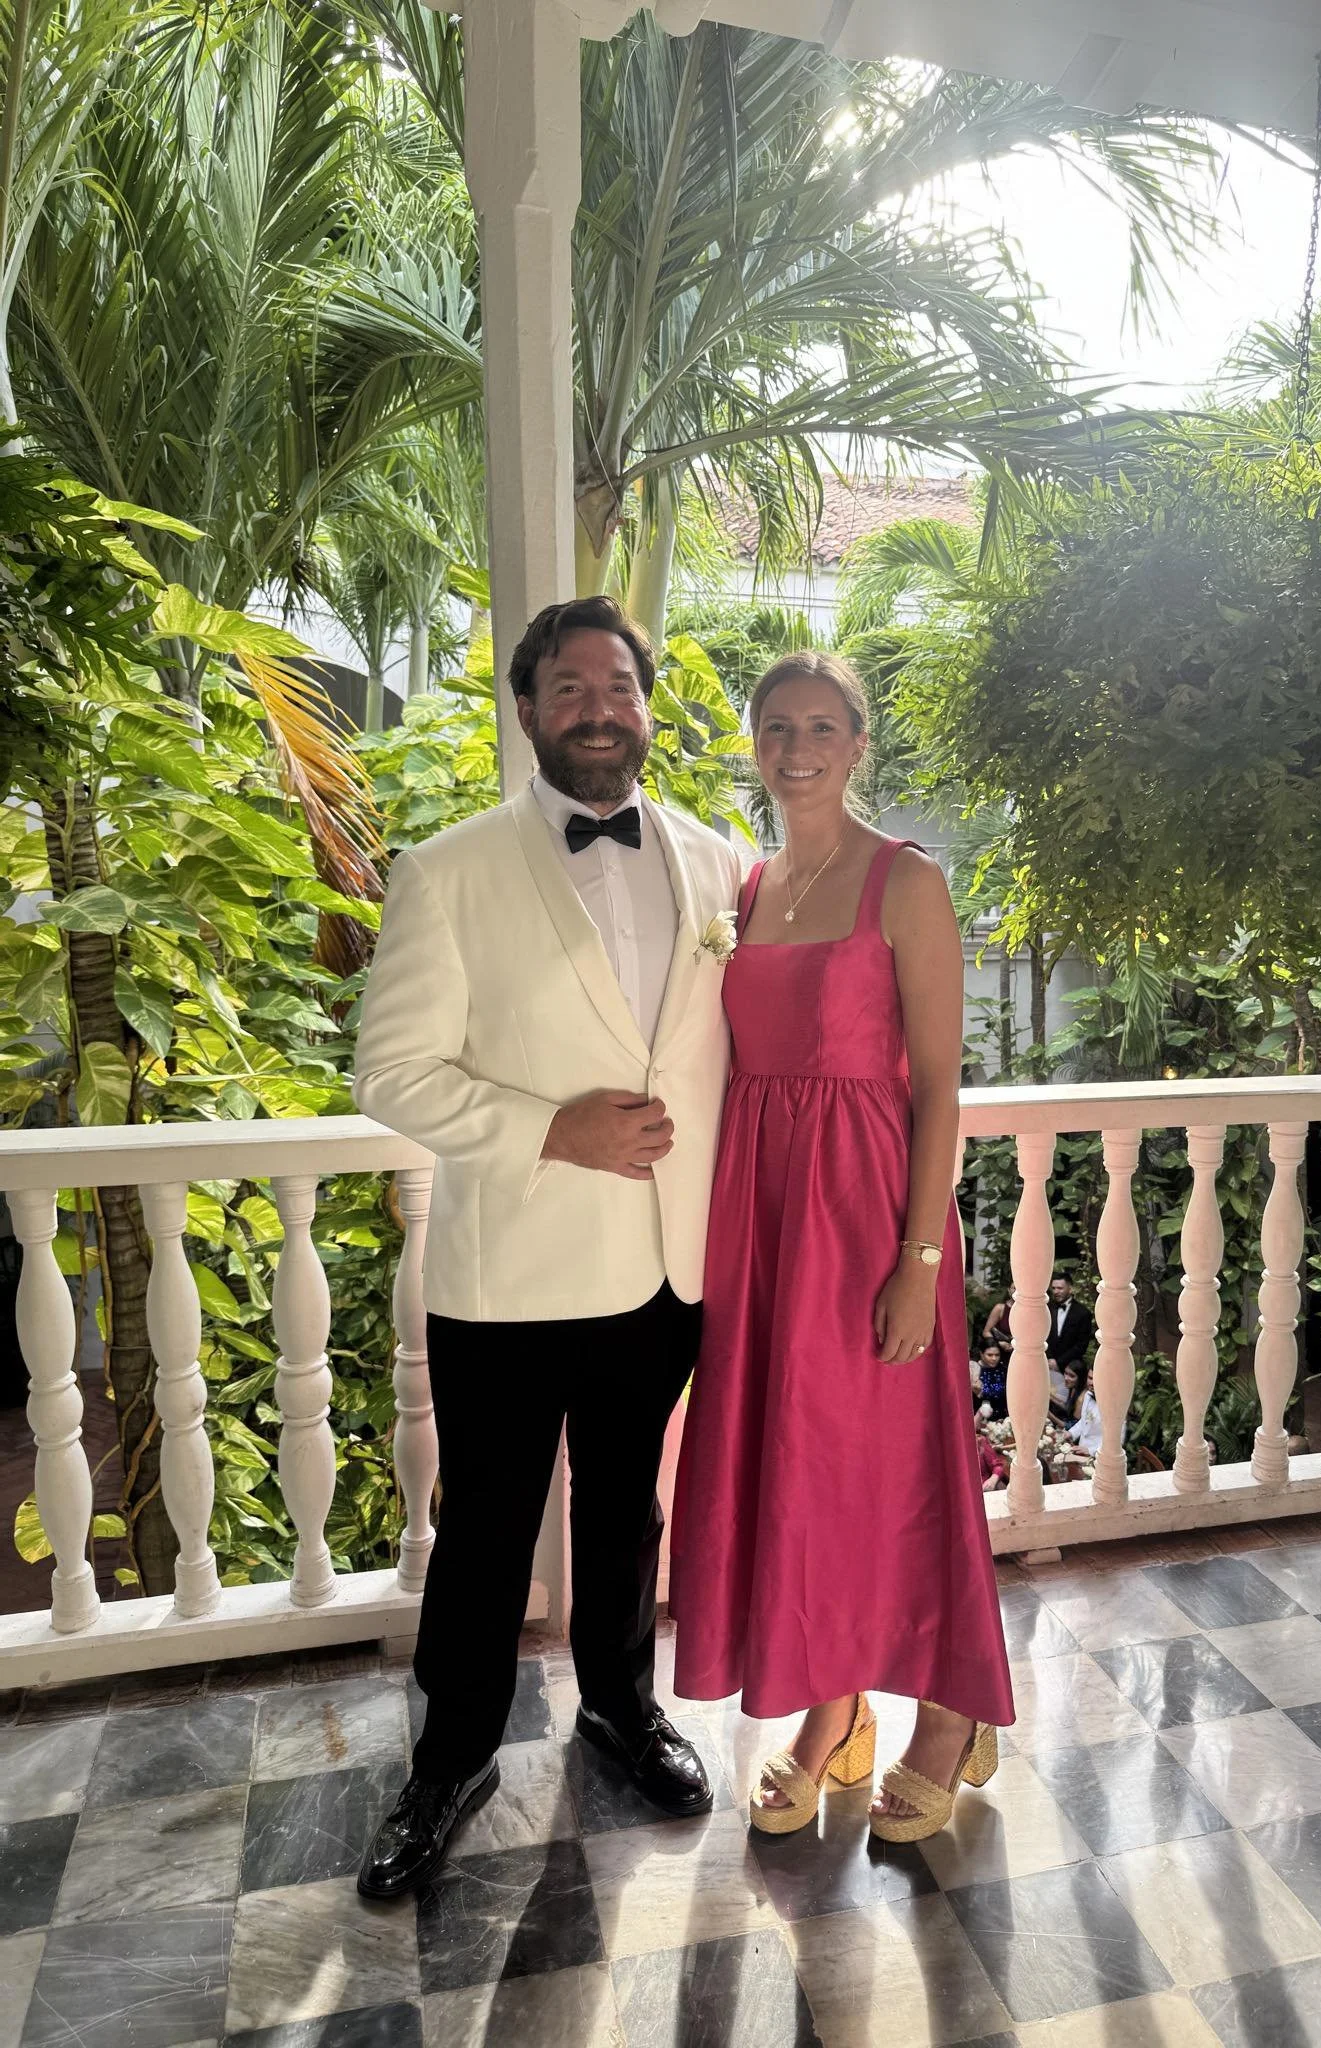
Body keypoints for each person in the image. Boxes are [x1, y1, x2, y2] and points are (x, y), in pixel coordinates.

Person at [350, 596, 743, 1899]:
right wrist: (550, 1128)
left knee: (629, 1514)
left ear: (644, 704)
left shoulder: (716, 861)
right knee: (487, 1532)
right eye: (568, 688)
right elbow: (392, 1073)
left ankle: (620, 1714)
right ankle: (451, 1758)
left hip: (661, 1270)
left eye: (617, 686)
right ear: (528, 711)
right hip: (510, 1275)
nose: (597, 708)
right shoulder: (448, 871)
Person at [669, 651, 1013, 1848]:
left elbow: (939, 1091)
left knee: (898, 1473)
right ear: (754, 743)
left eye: (822, 726)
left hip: (871, 1220)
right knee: (806, 1477)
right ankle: (836, 1712)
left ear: (859, 743)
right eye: (777, 726)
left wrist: (919, 1256)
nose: (797, 745)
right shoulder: (750, 885)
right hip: (765, 1227)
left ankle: (949, 1715)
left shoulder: (903, 882)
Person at [1046, 1273, 1093, 1383]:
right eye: (1053, 1288)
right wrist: (1049, 1359)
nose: (1056, 1291)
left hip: (1071, 1369)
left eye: (1060, 1288)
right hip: (1046, 1365)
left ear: (1070, 1289)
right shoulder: (1047, 1309)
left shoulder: (1083, 1313)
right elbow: (1041, 1335)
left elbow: (1082, 1345)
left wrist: (1059, 1362)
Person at [975, 1339, 1008, 1414]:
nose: (994, 1358)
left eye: (997, 1355)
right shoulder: (974, 1371)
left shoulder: (1003, 1371)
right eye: (989, 1355)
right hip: (980, 1419)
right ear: (981, 1354)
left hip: (1003, 1419)